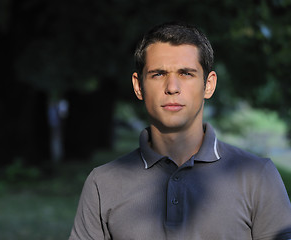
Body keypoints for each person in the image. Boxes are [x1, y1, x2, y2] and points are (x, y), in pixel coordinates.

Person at [69, 22, 291, 240]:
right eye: (158, 74)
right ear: (138, 86)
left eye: (186, 73)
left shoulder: (258, 176)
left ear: (209, 85)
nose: (172, 87)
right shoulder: (102, 183)